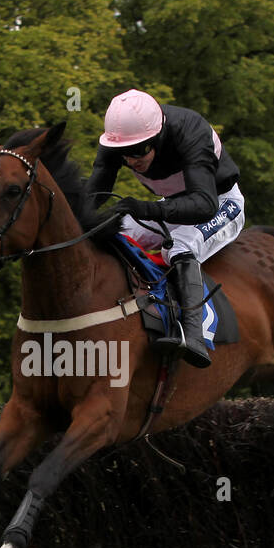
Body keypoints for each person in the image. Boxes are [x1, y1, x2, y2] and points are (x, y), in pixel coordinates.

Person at [84, 89, 244, 368]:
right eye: (124, 154)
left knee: (179, 245)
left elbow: (204, 205)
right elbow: (91, 199)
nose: (132, 159)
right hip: (176, 204)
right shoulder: (117, 141)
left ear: (157, 136)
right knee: (111, 234)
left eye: (140, 150)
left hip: (220, 202)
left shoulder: (190, 131)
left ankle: (194, 335)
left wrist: (146, 209)